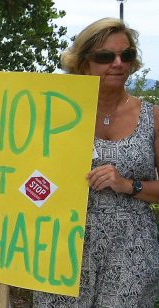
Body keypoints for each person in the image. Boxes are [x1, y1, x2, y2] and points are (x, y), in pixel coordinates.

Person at [34, 17, 159, 307]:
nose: (118, 63)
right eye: (105, 56)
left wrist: (127, 184)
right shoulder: (55, 115)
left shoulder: (152, 117)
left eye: (125, 55)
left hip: (130, 254)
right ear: (83, 63)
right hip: (62, 248)